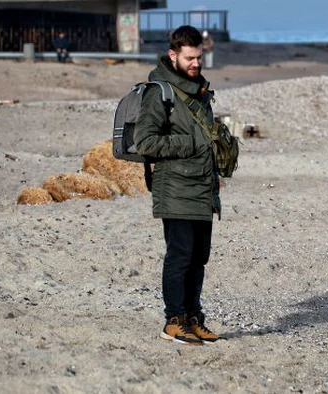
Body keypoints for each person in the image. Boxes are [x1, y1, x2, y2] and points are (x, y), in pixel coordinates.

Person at [134, 25, 222, 346]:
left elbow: (205, 141)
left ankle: (193, 318)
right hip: (174, 188)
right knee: (180, 255)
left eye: (199, 57)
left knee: (199, 256)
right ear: (173, 55)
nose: (196, 63)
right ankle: (173, 320)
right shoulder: (160, 92)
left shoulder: (200, 90)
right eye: (189, 58)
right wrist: (193, 143)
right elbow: (145, 141)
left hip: (202, 188)